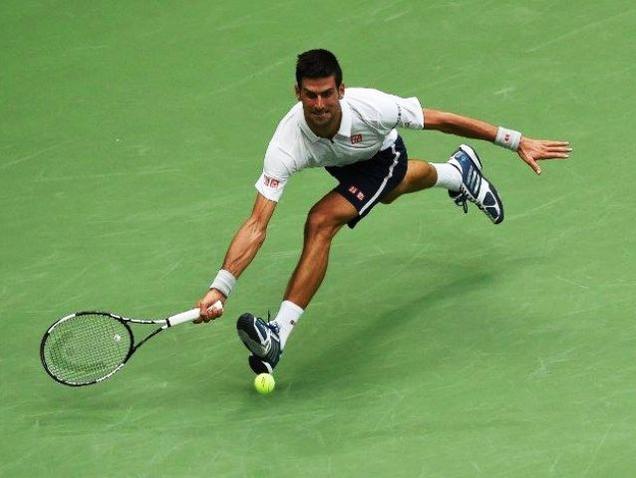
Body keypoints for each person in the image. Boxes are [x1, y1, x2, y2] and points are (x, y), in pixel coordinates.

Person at [194, 49, 570, 374]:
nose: (320, 105)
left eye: (327, 94)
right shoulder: (286, 143)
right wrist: (220, 288)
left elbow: (441, 120)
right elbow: (258, 223)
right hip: (343, 163)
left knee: (322, 220)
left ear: (341, 90)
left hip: (383, 156)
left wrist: (515, 140)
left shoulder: (373, 108)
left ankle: (279, 334)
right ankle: (456, 173)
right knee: (389, 194)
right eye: (311, 96)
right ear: (298, 93)